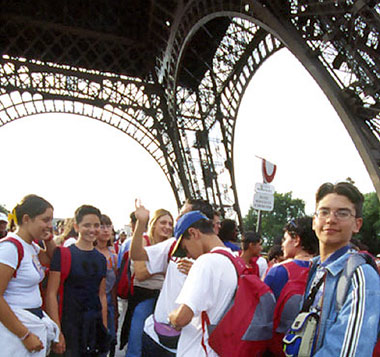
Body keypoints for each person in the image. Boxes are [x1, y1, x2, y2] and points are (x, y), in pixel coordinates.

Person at [291, 182, 380, 355]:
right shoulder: (317, 268)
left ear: (357, 224)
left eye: (343, 213)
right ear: (314, 221)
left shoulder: (360, 275)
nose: (331, 219)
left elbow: (348, 351)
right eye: (324, 212)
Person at [130, 198, 214, 357]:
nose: (177, 219)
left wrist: (199, 273)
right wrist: (141, 224)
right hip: (155, 336)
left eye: (182, 215)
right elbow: (136, 255)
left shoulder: (217, 259)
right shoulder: (172, 245)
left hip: (188, 344)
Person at [168, 211, 237, 356]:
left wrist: (172, 317)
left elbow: (182, 318)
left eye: (184, 248)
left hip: (198, 350)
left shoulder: (205, 262)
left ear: (193, 233)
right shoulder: (235, 260)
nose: (187, 255)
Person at [46, 205, 108, 356]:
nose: (92, 230)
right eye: (87, 225)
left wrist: (104, 327)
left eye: (96, 225)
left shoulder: (101, 259)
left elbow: (101, 295)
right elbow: (51, 294)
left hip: (93, 325)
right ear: (76, 226)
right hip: (69, 324)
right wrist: (57, 332)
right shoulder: (63, 254)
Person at [0, 194, 59, 356]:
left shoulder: (30, 246)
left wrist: (49, 239)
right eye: (45, 220)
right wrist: (24, 335)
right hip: (14, 332)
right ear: (27, 219)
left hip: (29, 324)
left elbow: (52, 259)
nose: (49, 225)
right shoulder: (10, 249)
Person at [120, 208, 174, 357]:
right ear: (153, 224)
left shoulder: (171, 245)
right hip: (143, 297)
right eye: (163, 222)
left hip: (163, 299)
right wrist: (164, 269)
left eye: (170, 223)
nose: (167, 227)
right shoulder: (144, 240)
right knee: (136, 344)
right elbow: (141, 273)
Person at [96, 214, 118, 357]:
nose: (105, 230)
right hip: (92, 302)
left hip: (109, 301)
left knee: (108, 340)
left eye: (108, 226)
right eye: (101, 226)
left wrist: (115, 309)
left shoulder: (114, 255)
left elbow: (115, 284)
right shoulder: (90, 252)